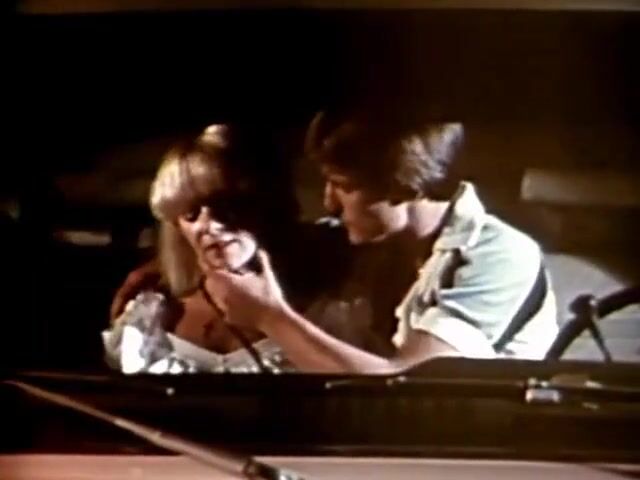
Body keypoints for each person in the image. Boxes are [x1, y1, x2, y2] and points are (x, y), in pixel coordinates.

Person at [200, 109, 559, 374]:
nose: (329, 203)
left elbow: (410, 389)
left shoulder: (498, 256)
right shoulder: (365, 242)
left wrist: (269, 316)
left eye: (344, 186)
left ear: (407, 186)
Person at [103, 124, 385, 374]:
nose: (210, 225)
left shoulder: (334, 311)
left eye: (226, 205)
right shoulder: (150, 319)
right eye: (191, 213)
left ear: (268, 204)